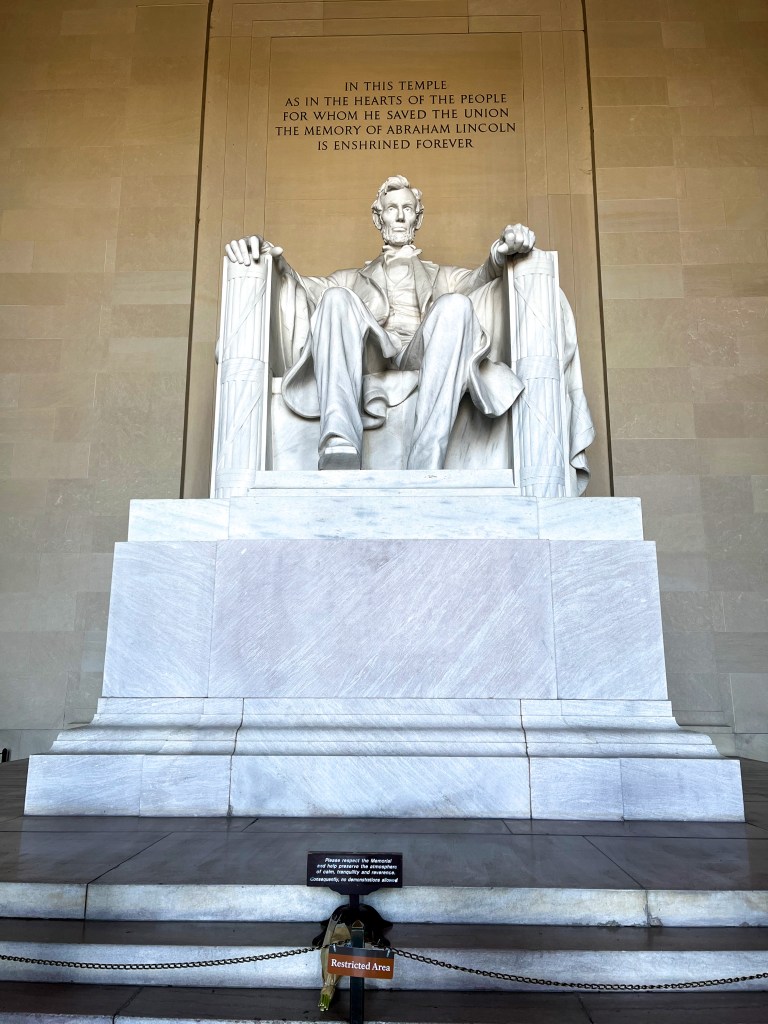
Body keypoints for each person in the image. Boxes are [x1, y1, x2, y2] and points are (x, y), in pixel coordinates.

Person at [225, 175, 536, 470]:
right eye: (391, 209)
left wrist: (501, 252)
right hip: (372, 354)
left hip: (423, 352)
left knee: (456, 304)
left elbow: (480, 279)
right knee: (335, 297)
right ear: (378, 218)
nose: (400, 217)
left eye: (407, 209)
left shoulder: (444, 276)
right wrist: (268, 258)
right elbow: (300, 287)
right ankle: (340, 441)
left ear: (418, 218)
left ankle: (427, 455)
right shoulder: (349, 278)